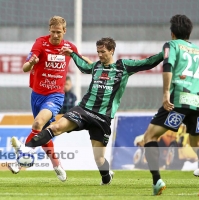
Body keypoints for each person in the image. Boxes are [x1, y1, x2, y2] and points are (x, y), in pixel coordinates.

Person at [12, 37, 163, 185]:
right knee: (56, 127)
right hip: (83, 110)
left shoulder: (123, 66)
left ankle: (106, 176)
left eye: (103, 51)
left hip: (102, 118)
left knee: (99, 160)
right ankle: (27, 150)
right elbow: (84, 66)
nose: (100, 55)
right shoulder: (96, 66)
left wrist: (164, 54)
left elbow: (147, 63)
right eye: (98, 52)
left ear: (112, 51)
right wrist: (71, 54)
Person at [8, 15, 92, 182]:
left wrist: (93, 63)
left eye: (58, 32)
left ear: (64, 31)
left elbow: (86, 63)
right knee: (43, 131)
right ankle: (56, 164)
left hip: (55, 96)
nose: (55, 35)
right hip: (37, 95)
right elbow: (25, 67)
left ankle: (22, 158)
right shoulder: (40, 43)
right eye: (53, 32)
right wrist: (32, 62)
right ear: (49, 31)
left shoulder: (69, 47)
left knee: (38, 123)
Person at [141, 14, 199, 195]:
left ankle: (157, 180)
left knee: (150, 137)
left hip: (179, 99)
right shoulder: (197, 50)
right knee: (195, 142)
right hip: (197, 101)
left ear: (172, 33)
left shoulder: (171, 45)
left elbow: (168, 65)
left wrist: (166, 93)